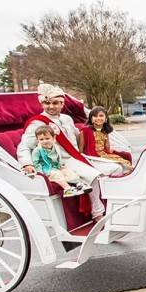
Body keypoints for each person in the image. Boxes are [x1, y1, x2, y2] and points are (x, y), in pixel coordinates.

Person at [17, 83, 122, 220]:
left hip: (78, 157)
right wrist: (26, 163)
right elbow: (24, 145)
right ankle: (97, 213)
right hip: (62, 162)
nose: (51, 106)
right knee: (93, 176)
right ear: (42, 104)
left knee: (116, 168)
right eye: (47, 103)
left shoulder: (67, 119)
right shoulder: (37, 123)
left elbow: (78, 137)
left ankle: (113, 206)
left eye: (55, 103)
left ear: (62, 104)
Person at [31, 125, 94, 197]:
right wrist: (42, 174)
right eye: (41, 139)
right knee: (57, 174)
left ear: (53, 138)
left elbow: (57, 158)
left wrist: (60, 165)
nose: (44, 141)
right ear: (37, 140)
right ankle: (67, 189)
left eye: (47, 138)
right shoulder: (37, 150)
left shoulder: (55, 147)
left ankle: (79, 184)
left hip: (56, 167)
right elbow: (36, 163)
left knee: (67, 171)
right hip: (46, 170)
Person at [79, 107, 133, 172]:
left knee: (127, 161)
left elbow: (107, 148)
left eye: (101, 116)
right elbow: (81, 150)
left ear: (106, 119)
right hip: (94, 157)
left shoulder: (105, 131)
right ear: (91, 119)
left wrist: (114, 152)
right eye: (95, 116)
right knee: (122, 167)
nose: (98, 118)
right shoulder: (85, 131)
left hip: (105, 154)